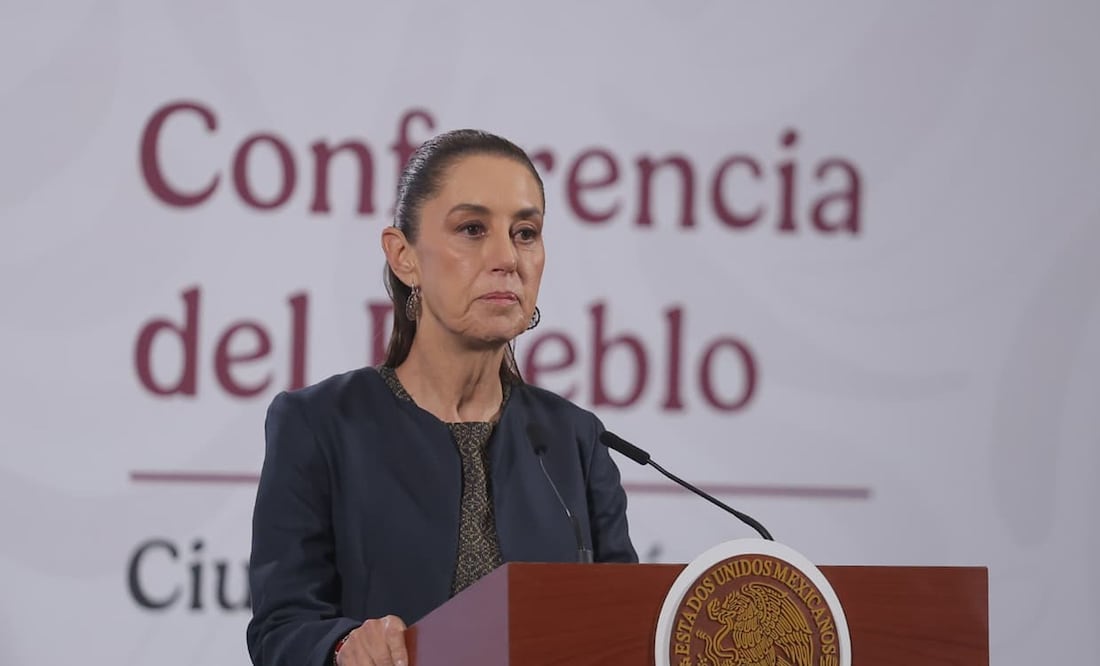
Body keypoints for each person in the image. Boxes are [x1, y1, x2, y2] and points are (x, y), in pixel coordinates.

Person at [245, 129, 638, 666]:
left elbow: (627, 630)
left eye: (526, 233)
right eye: (472, 229)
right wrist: (339, 647)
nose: (507, 258)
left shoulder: (576, 439)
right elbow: (279, 631)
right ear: (404, 256)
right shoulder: (319, 424)